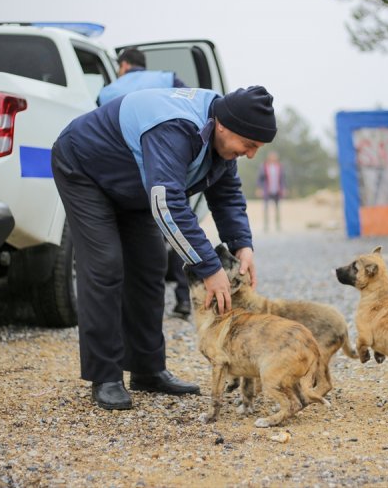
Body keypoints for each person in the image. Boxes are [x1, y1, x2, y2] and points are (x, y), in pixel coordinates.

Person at [51, 85, 276, 410]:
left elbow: (226, 195)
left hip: (132, 182)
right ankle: (106, 376)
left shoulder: (224, 135)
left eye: (258, 147)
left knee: (149, 263)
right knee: (105, 265)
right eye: (249, 145)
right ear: (225, 126)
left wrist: (243, 245)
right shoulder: (176, 128)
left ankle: (146, 369)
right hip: (84, 170)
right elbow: (167, 203)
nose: (251, 154)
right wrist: (209, 268)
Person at [98, 47, 192, 320]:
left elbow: (104, 127)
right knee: (178, 231)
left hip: (126, 177)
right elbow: (187, 112)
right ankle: (184, 299)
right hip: (166, 168)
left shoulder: (108, 91)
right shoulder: (167, 78)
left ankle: (130, 303)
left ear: (124, 65)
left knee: (131, 238)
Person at [97, 47, 186, 106]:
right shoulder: (166, 78)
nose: (117, 72)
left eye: (119, 67)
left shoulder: (106, 92)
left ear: (124, 64)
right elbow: (189, 100)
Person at [256, 150, 286, 231]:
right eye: (272, 156)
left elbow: (282, 179)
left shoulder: (280, 166)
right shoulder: (264, 166)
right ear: (269, 157)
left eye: (274, 156)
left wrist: (283, 189)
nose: (273, 158)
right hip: (267, 190)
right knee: (266, 208)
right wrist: (259, 188)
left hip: (277, 190)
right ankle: (266, 226)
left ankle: (278, 225)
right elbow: (260, 178)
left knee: (277, 209)